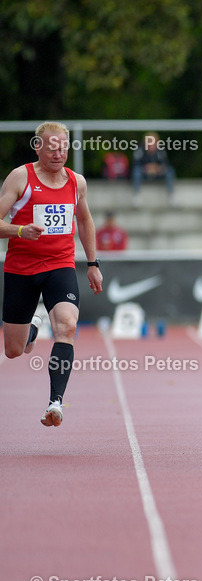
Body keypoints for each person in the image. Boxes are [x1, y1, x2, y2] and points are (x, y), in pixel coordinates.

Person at [0, 121, 103, 426]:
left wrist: (93, 264)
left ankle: (55, 402)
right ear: (38, 147)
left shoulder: (76, 182)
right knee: (14, 350)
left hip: (60, 264)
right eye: (52, 146)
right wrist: (19, 230)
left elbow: (84, 222)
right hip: (21, 269)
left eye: (63, 146)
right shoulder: (21, 177)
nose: (59, 153)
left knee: (67, 327)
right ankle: (32, 328)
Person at [132, 132, 176, 203]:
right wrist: (146, 168)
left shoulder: (160, 150)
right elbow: (135, 163)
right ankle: (137, 196)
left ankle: (171, 196)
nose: (151, 145)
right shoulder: (140, 150)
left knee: (170, 171)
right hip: (144, 174)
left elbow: (165, 163)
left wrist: (157, 168)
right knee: (136, 171)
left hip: (157, 173)